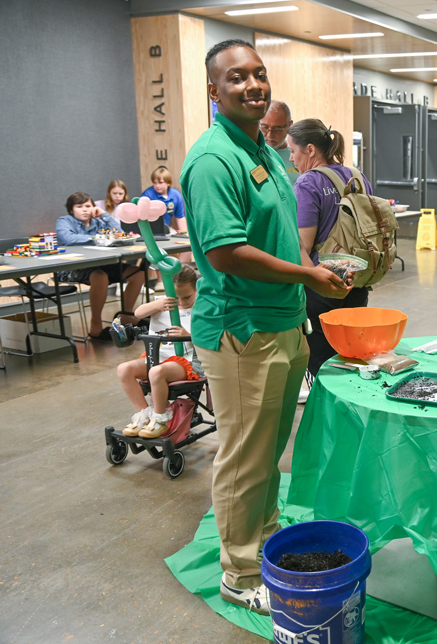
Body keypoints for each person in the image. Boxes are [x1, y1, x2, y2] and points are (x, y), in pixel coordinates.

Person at [180, 38, 351, 616]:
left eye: (258, 74)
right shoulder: (213, 159)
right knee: (245, 455)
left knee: (269, 448)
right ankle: (239, 570)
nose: (252, 85)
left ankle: (264, 536)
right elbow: (226, 252)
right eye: (236, 78)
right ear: (214, 90)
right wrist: (307, 274)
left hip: (283, 323)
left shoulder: (265, 151)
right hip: (241, 329)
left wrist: (309, 276)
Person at [287, 117, 372, 394]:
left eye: (293, 150)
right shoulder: (357, 175)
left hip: (323, 286)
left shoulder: (308, 182)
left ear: (310, 149)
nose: (291, 158)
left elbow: (303, 244)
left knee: (323, 362)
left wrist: (307, 280)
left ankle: (327, 417)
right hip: (358, 279)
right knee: (352, 354)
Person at [116, 265, 203, 438]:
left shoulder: (201, 307)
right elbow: (138, 313)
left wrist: (189, 335)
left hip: (185, 362)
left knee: (156, 372)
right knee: (124, 369)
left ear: (196, 288)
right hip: (158, 356)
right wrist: (156, 305)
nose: (181, 302)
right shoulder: (164, 302)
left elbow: (211, 337)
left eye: (186, 297)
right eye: (176, 297)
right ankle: (144, 415)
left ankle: (160, 418)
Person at [55, 192, 144, 340]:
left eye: (88, 206)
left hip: (102, 265)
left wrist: (105, 215)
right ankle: (95, 324)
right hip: (72, 268)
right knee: (100, 277)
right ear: (71, 210)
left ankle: (126, 316)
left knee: (138, 273)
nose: (84, 210)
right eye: (79, 206)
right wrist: (99, 238)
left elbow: (120, 234)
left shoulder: (98, 221)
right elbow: (69, 238)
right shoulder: (64, 221)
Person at [261, 100, 298, 185]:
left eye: (277, 129)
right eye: (264, 127)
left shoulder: (298, 154)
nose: (270, 135)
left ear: (289, 126)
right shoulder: (248, 154)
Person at [140, 167, 187, 233]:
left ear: (168, 183)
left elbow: (180, 217)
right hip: (150, 231)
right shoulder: (147, 195)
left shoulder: (176, 195)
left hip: (166, 229)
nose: (157, 186)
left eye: (160, 182)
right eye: (154, 182)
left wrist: (185, 234)